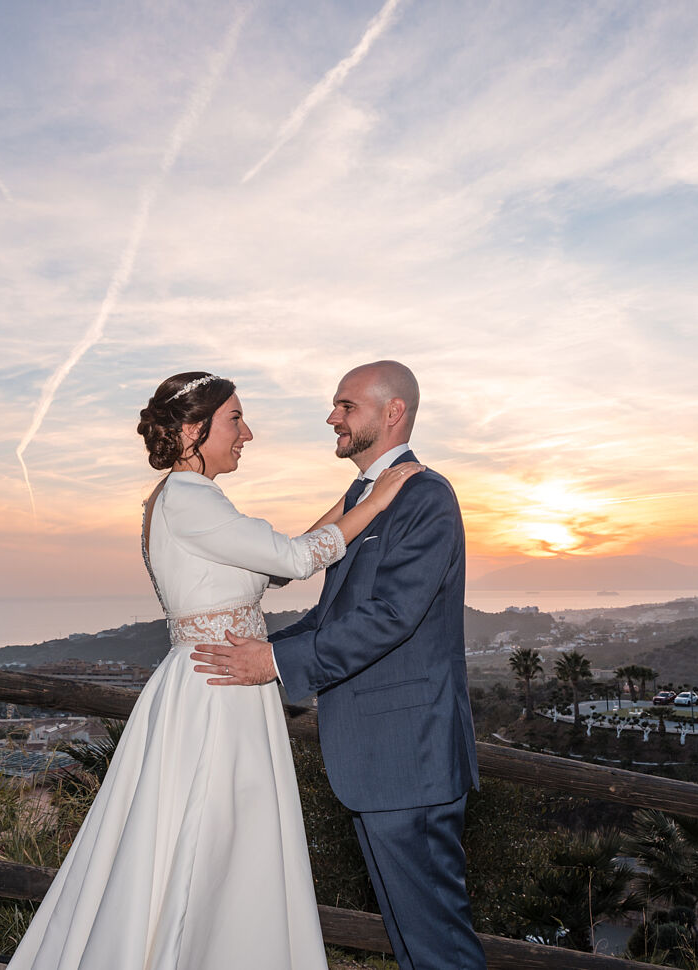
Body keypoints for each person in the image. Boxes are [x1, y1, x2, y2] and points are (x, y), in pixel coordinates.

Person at [6, 370, 423, 970]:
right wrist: (380, 499)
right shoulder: (189, 497)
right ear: (192, 430)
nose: (247, 433)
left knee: (219, 838)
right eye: (235, 420)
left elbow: (280, 560)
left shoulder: (186, 500)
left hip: (221, 681)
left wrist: (358, 494)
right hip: (215, 689)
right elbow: (298, 558)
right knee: (209, 838)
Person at [191, 361, 484, 970]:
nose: (332, 417)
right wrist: (256, 648)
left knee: (438, 946)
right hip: (377, 760)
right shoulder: (365, 497)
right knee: (413, 944)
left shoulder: (425, 497)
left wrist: (271, 661)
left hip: (411, 759)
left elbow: (390, 617)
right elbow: (331, 615)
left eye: (345, 406)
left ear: (392, 413)